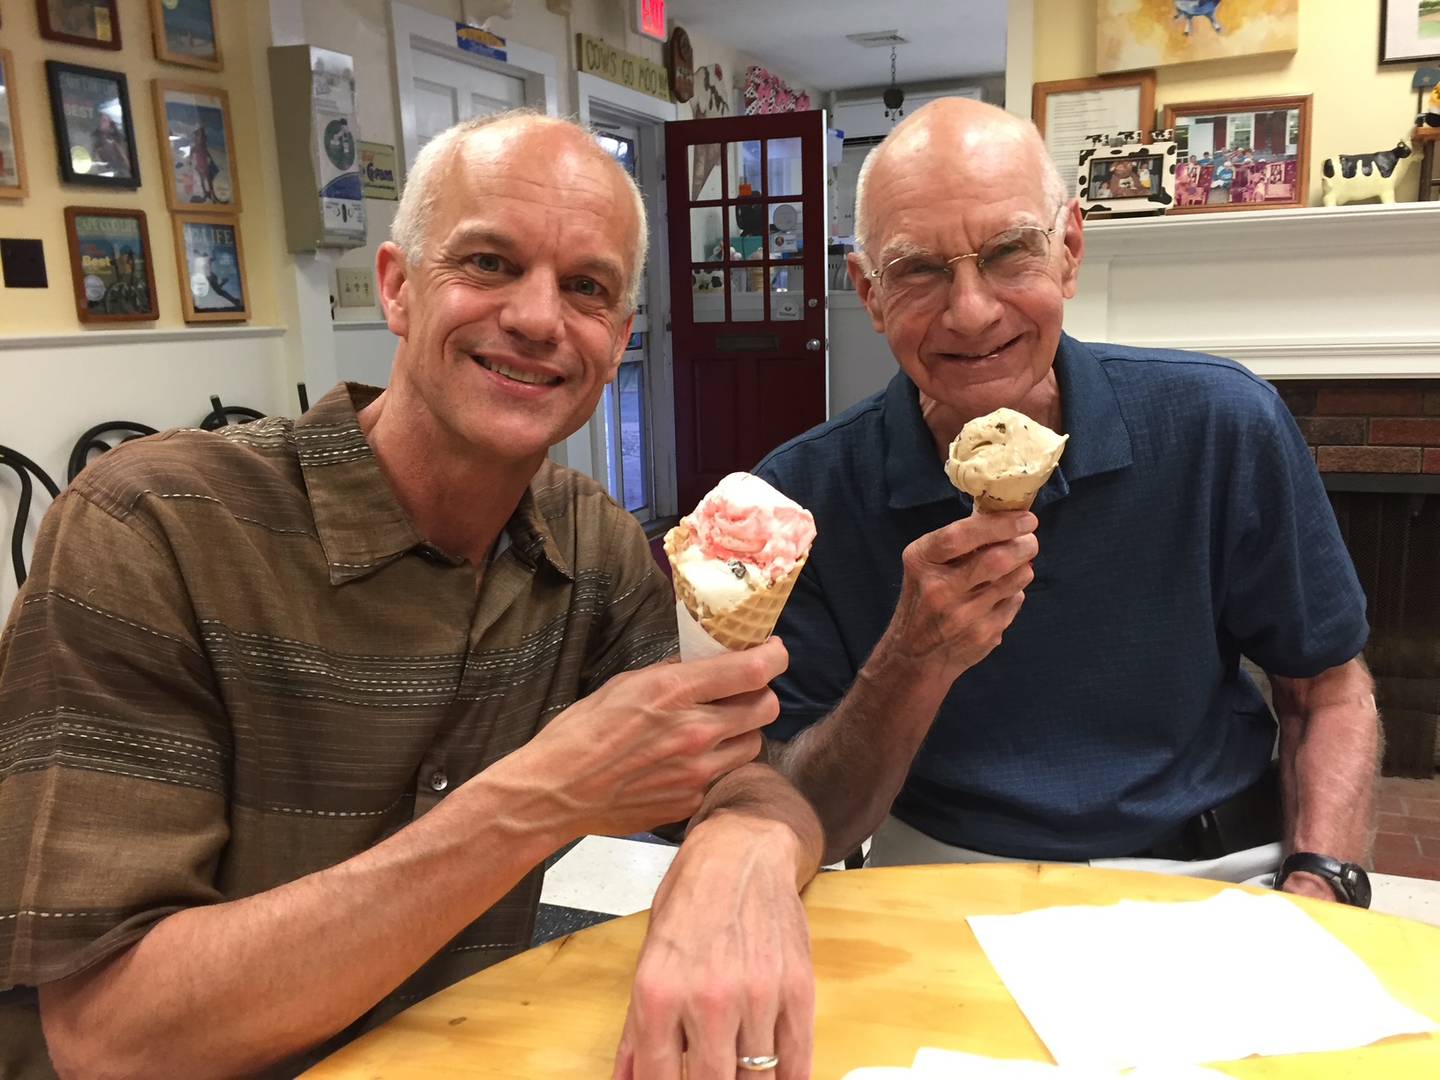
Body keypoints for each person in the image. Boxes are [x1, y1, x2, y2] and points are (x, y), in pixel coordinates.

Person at [0, 112, 820, 1079]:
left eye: (587, 287)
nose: (537, 317)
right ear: (396, 286)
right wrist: (540, 796)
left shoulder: (591, 543)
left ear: (619, 339)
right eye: (488, 263)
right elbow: (111, 1035)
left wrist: (739, 850)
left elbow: (743, 775)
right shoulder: (153, 527)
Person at [754, 98, 1378, 903]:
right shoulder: (800, 498)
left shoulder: (1220, 425)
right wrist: (913, 657)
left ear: (1069, 252)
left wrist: (1323, 878)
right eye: (917, 270)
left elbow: (1327, 687)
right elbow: (811, 818)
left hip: (1213, 867)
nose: (972, 312)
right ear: (869, 294)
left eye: (1011, 252)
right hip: (943, 876)